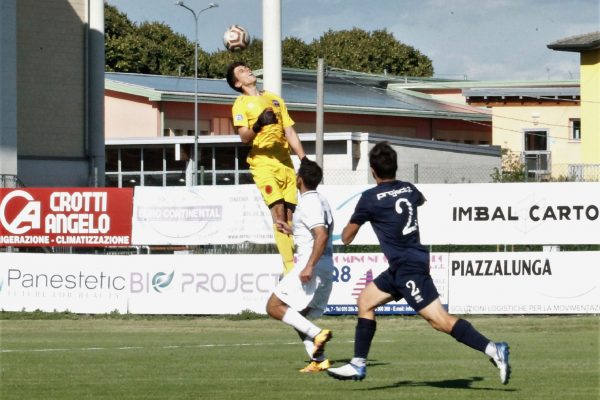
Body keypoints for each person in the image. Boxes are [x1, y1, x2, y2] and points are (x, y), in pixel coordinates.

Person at [326, 142, 511, 384]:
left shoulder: (369, 199)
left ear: (373, 171)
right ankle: (358, 364)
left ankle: (493, 349)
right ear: (395, 167)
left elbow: (348, 238)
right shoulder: (409, 189)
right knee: (365, 301)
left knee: (439, 321)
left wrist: (355, 222)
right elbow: (420, 200)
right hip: (401, 266)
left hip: (409, 268)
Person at [226, 61, 308, 275]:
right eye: (242, 71)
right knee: (278, 211)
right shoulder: (240, 103)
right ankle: (290, 268)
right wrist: (259, 124)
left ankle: (289, 265)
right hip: (263, 163)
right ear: (237, 83)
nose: (248, 70)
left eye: (247, 67)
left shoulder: (274, 98)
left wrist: (304, 159)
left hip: (285, 163)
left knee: (290, 217)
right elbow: (244, 137)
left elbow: (289, 131)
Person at [265, 158, 334, 373]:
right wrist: (292, 229)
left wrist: (309, 266)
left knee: (274, 306)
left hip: (311, 264)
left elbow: (321, 235)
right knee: (298, 316)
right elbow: (315, 232)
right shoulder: (321, 200)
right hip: (323, 264)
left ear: (299, 180)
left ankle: (316, 334)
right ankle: (319, 360)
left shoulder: (310, 202)